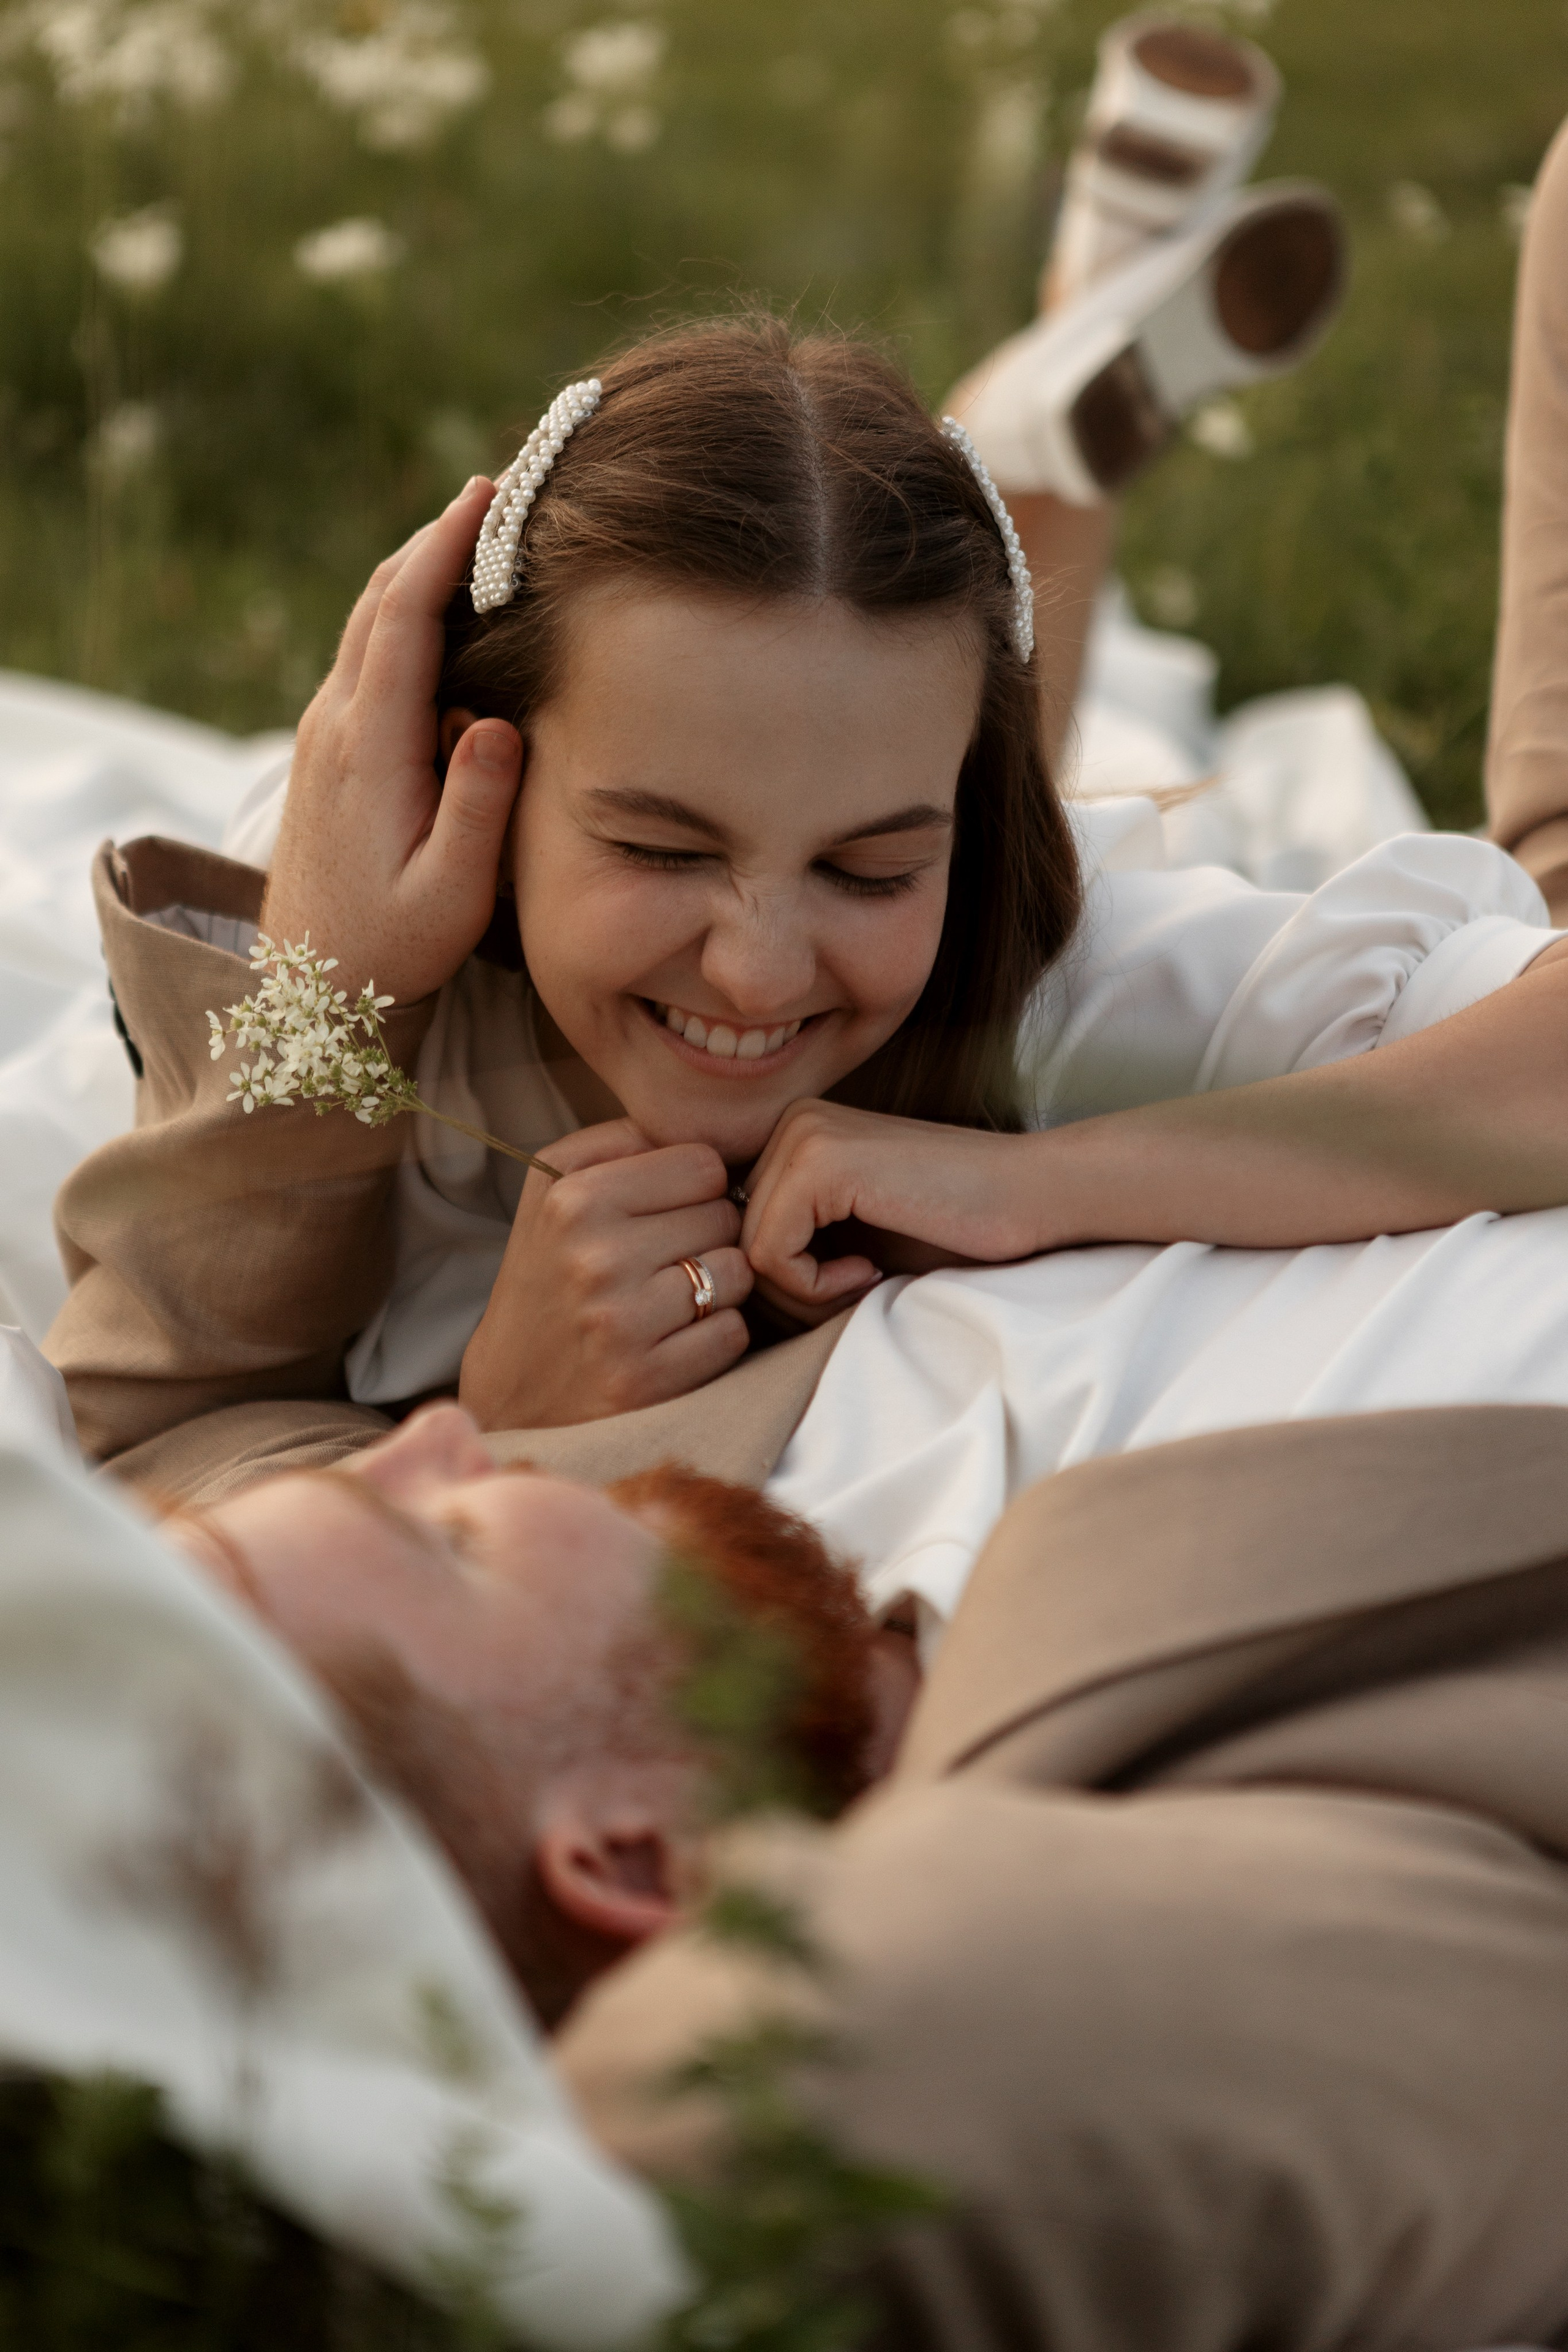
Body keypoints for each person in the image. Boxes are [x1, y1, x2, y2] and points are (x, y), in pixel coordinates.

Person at [45, 17, 1568, 1486]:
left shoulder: (1058, 991)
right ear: (474, 775)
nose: (760, 974)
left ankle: (1044, 423)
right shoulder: (345, 953)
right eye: (657, 847)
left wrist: (1016, 1183)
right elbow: (151, 1445)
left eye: (869, 864)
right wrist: (493, 1417)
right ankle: (1037, 413)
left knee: (1028, 753)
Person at [134, 1383, 1568, 2350]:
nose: (444, 1420)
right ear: (645, 1854)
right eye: (438, 1536)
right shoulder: (924, 2006)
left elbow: (154, 1406)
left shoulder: (812, 1428)